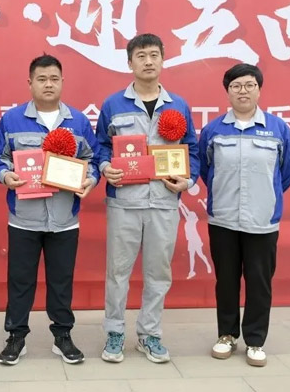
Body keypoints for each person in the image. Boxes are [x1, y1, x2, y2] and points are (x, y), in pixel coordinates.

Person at [96, 33, 199, 364]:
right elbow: (100, 146)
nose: (148, 61)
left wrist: (188, 180)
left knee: (158, 272)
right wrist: (105, 167)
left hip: (164, 202)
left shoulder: (178, 105)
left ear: (163, 60)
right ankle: (115, 332)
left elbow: (192, 150)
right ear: (130, 63)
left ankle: (150, 334)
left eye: (154, 55)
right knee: (117, 272)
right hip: (124, 202)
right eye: (141, 56)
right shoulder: (113, 104)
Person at [0, 54, 100, 365]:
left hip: (65, 218)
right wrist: (5, 176)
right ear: (30, 83)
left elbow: (92, 159)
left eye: (54, 78)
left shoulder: (78, 121)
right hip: (24, 218)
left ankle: (62, 335)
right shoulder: (12, 120)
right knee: (20, 280)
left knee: (61, 280)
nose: (48, 84)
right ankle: (16, 335)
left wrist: (90, 179)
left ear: (62, 82)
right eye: (41, 79)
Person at [199, 63, 290, 367]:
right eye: (236, 86)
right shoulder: (214, 130)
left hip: (262, 219)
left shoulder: (278, 129)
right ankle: (226, 335)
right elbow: (206, 168)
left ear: (259, 89)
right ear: (228, 92)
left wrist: (266, 194)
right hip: (224, 218)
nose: (243, 91)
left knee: (259, 281)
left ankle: (255, 340)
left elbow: (288, 170)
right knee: (226, 280)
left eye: (249, 85)